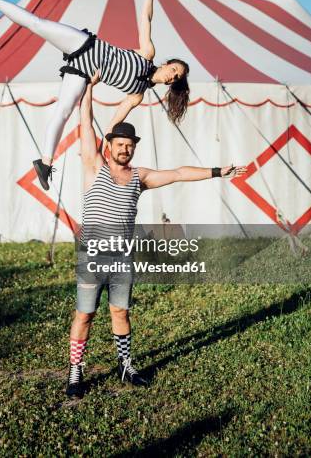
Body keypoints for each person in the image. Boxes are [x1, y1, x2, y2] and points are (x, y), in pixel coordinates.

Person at [65, 75, 247, 398]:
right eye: (119, 144)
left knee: (120, 312)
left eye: (129, 145)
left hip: (121, 257)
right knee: (85, 314)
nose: (124, 149)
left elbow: (178, 173)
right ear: (109, 146)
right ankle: (76, 371)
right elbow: (85, 121)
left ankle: (125, 365)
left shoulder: (140, 177)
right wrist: (89, 87)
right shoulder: (94, 166)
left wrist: (218, 172)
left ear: (134, 148)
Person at [0, 0, 190, 190]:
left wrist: (100, 147)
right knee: (37, 24)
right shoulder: (147, 54)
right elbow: (146, 19)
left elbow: (114, 121)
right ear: (166, 64)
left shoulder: (137, 94)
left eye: (176, 77)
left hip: (84, 74)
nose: (173, 76)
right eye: (174, 70)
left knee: (64, 110)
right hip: (84, 45)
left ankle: (45, 163)